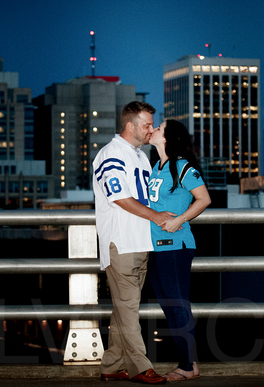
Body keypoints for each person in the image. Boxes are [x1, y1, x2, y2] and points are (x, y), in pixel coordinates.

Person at [92, 101, 173, 384]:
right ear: (130, 126)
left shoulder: (139, 155)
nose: (151, 129)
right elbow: (119, 198)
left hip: (140, 242)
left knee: (124, 308)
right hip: (122, 242)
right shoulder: (110, 154)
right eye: (147, 125)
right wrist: (157, 216)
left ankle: (112, 365)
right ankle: (140, 366)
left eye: (152, 124)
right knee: (128, 308)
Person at [147, 120, 211, 381]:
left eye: (159, 128)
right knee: (170, 306)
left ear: (168, 138)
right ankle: (190, 363)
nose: (154, 130)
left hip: (176, 247)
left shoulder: (182, 167)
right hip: (156, 247)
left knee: (178, 305)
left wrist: (179, 219)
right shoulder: (157, 166)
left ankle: (186, 367)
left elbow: (204, 198)